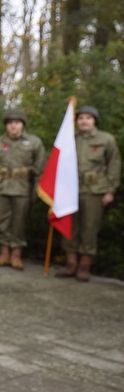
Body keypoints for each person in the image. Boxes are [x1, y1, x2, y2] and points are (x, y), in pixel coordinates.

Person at [55, 105, 120, 282]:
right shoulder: (69, 139)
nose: (84, 121)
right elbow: (60, 164)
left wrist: (110, 190)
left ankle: (84, 267)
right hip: (70, 190)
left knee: (89, 228)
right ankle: (70, 265)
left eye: (88, 118)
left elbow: (113, 166)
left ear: (95, 121)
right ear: (76, 122)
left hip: (94, 191)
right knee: (70, 227)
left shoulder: (106, 139)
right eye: (81, 118)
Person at [0, 109, 46, 269]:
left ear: (22, 125)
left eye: (16, 123)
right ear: (6, 126)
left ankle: (16, 255)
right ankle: (3, 254)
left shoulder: (34, 142)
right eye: (10, 123)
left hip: (22, 188)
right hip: (0, 187)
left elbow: (40, 168)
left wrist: (37, 191)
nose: (13, 126)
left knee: (19, 222)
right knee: (2, 221)